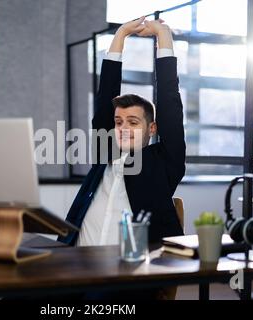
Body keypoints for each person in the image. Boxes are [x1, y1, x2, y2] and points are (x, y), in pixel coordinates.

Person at [59, 17, 185, 252]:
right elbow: (105, 91)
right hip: (73, 263)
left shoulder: (164, 162)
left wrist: (163, 35)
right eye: (118, 122)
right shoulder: (105, 152)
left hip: (126, 274)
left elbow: (169, 99)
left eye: (133, 122)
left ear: (152, 128)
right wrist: (120, 35)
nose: (123, 128)